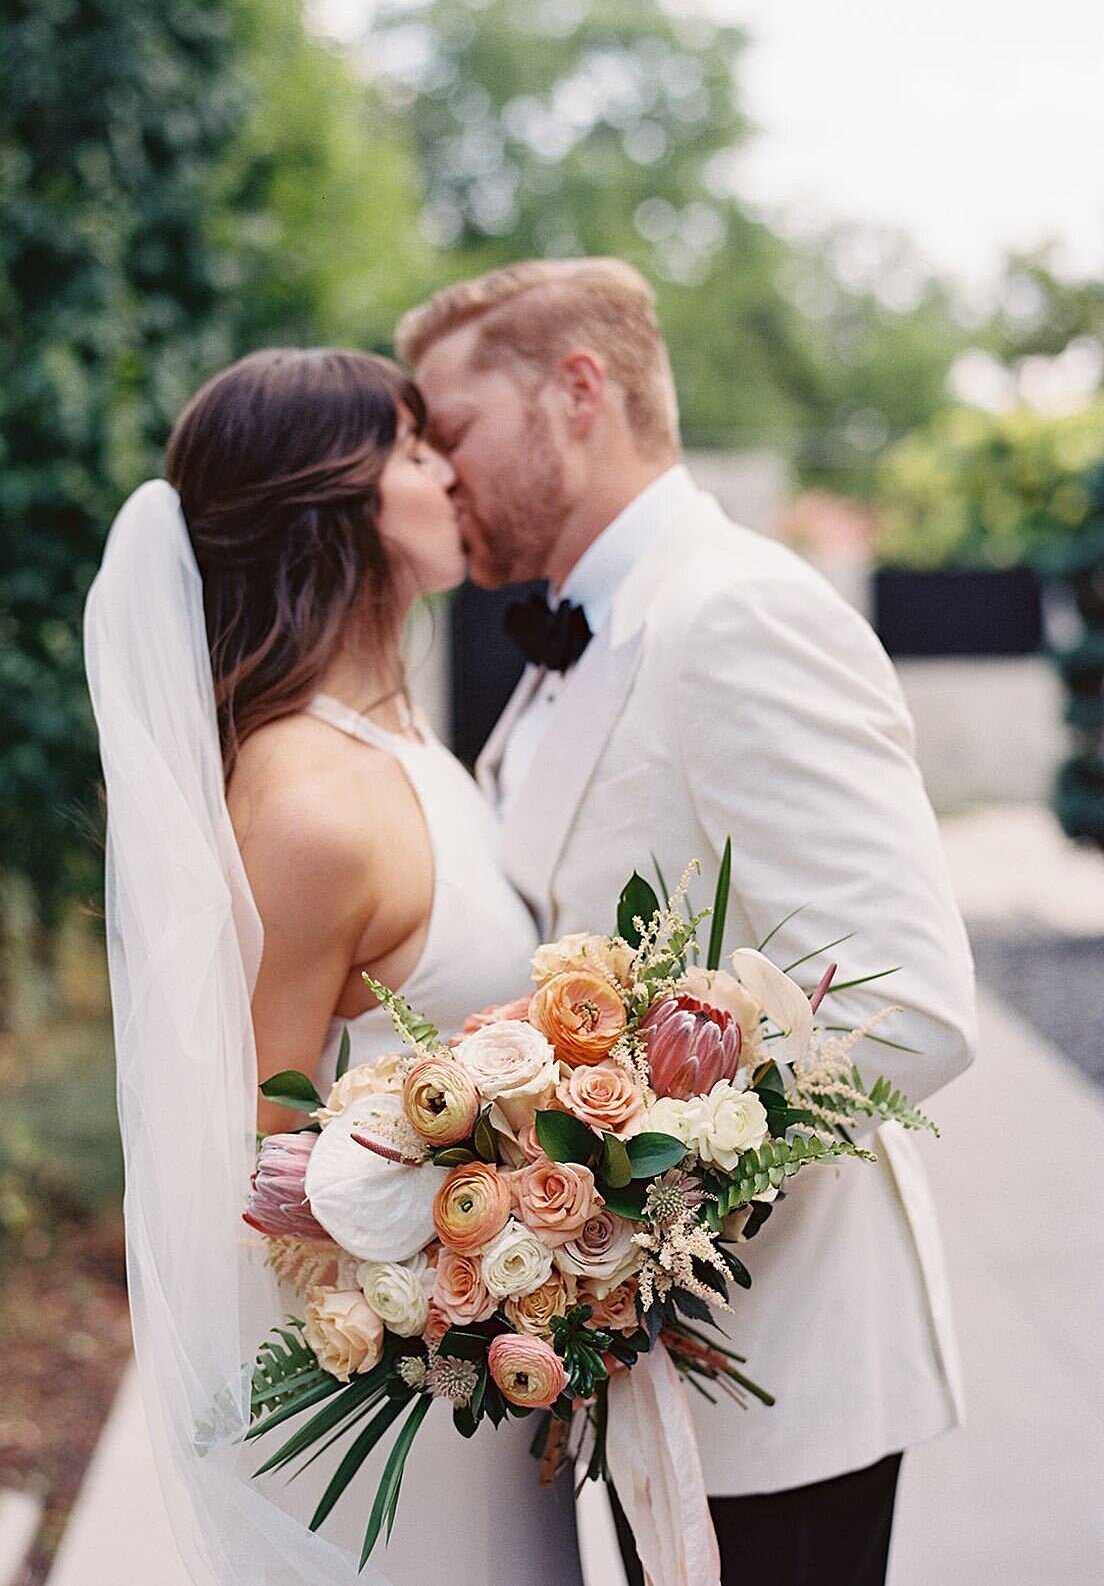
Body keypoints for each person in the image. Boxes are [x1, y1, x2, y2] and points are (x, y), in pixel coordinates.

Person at [397, 258, 978, 1586]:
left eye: (456, 429)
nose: (440, 472)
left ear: (578, 392)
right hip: (637, 1384)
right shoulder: (572, 655)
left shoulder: (739, 612)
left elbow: (909, 1005)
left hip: (782, 1386)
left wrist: (608, 1191)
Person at [84, 348, 583, 1586]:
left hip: (479, 1378)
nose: (449, 470)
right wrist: (487, 1236)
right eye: (416, 450)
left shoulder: (409, 743)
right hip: (392, 1420)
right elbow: (248, 1168)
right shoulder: (309, 804)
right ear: (337, 506)